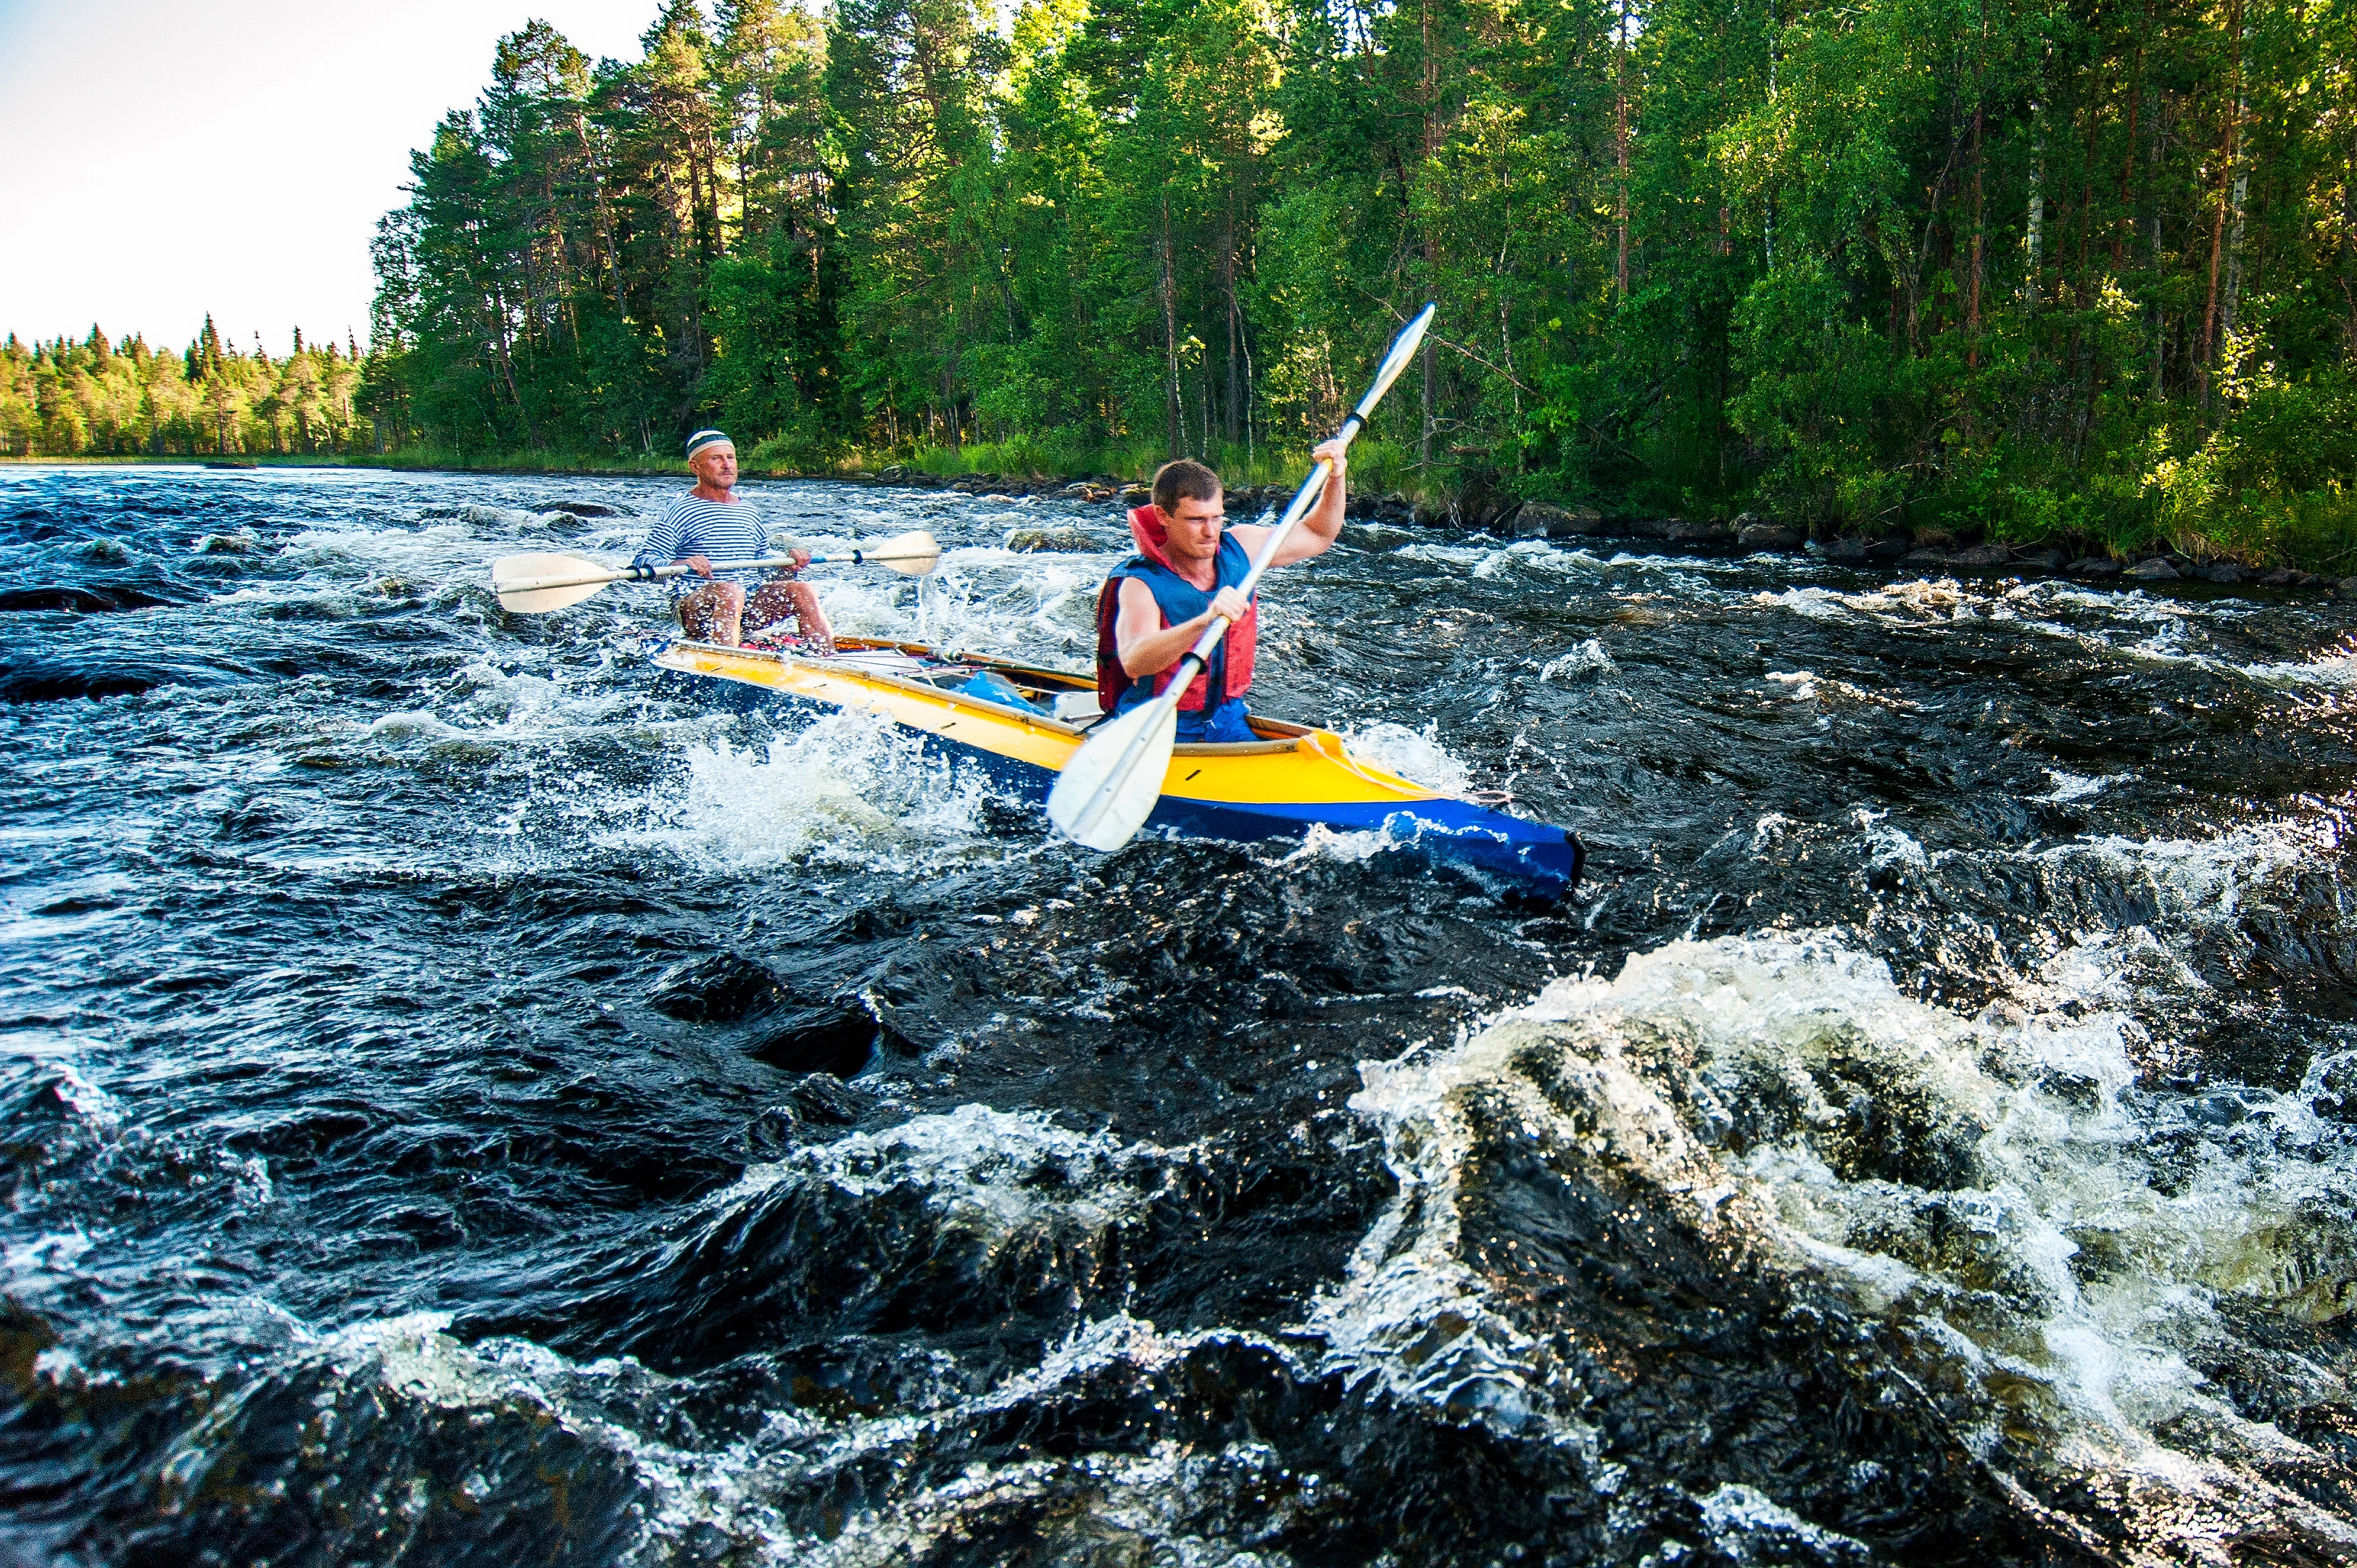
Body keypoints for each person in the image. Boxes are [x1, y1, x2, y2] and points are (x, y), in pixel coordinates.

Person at [1094, 441, 1349, 742]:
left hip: (1224, 717)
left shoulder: (1241, 547)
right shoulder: (1140, 583)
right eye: (1196, 520)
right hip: (1155, 723)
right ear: (1163, 516)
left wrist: (1336, 478)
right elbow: (1135, 659)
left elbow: (1318, 535)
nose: (1210, 532)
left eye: (1216, 517)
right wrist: (1205, 621)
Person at [633, 428, 835, 650]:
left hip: (746, 607)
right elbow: (645, 560)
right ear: (695, 467)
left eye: (730, 458)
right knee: (730, 591)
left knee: (802, 590)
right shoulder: (680, 510)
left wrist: (788, 565)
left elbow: (762, 563)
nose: (726, 465)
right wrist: (679, 564)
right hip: (695, 607)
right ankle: (726, 661)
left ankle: (825, 657)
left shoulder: (748, 510)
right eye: (716, 458)